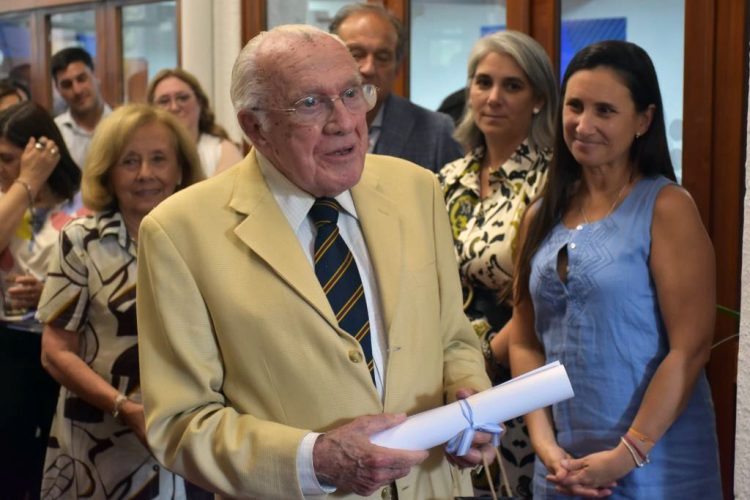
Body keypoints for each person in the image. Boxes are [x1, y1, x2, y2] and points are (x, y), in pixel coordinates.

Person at [136, 25, 495, 499]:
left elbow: (453, 339)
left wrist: (470, 401)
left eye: (352, 94)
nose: (344, 122)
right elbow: (180, 423)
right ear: (254, 127)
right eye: (310, 103)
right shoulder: (179, 232)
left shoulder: (417, 189)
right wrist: (315, 460)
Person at [505, 40, 722, 498]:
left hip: (654, 463)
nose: (583, 125)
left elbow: (690, 350)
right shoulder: (539, 215)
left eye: (605, 110)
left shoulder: (667, 207)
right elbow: (524, 340)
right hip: (562, 467)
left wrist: (627, 453)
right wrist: (545, 445)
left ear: (643, 120)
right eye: (575, 107)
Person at [37, 104, 207, 499]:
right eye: (129, 161)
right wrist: (124, 408)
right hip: (99, 447)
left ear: (180, 170)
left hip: (189, 443)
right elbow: (55, 353)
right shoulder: (81, 241)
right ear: (108, 173)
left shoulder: (205, 240)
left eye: (159, 159)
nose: (145, 173)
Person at [438, 30, 557, 498]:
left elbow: (542, 297)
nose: (493, 97)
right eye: (483, 82)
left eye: (512, 86)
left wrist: (486, 358)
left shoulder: (553, 182)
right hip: (450, 373)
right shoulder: (447, 178)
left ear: (538, 99)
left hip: (518, 371)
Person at [0, 101, 82, 500]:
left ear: (42, 153)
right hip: (9, 344)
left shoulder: (82, 203)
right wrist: (26, 182)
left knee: (56, 459)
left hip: (66, 344)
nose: (0, 167)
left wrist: (51, 290)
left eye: (7, 158)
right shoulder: (6, 199)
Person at [329, 3, 463, 172]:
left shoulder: (436, 131)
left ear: (398, 68)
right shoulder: (309, 122)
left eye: (382, 57)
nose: (369, 68)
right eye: (356, 54)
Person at [147, 68, 244, 177]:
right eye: (164, 101)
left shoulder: (223, 151)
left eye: (183, 98)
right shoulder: (144, 153)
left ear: (200, 103)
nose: (174, 107)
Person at [51, 47, 112, 169]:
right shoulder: (55, 133)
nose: (77, 90)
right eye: (67, 85)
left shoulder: (123, 125)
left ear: (96, 76)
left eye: (82, 79)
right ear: (58, 89)